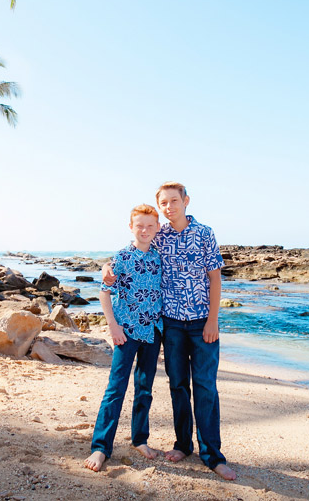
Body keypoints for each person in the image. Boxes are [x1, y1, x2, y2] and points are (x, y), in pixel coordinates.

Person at [103, 182, 237, 481]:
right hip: (171, 324)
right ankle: (183, 444)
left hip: (202, 322)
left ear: (186, 201)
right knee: (178, 385)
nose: (169, 206)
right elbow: (130, 253)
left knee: (205, 387)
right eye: (164, 202)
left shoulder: (204, 234)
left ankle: (213, 456)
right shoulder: (159, 234)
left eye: (174, 201)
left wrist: (213, 319)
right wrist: (105, 268)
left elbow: (215, 279)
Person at [84, 204, 164, 472]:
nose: (144, 230)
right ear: (131, 227)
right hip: (126, 333)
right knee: (115, 389)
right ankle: (100, 447)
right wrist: (113, 327)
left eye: (150, 226)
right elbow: (104, 292)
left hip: (153, 333)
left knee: (144, 389)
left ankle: (139, 439)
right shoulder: (121, 258)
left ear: (157, 229)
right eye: (139, 225)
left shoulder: (158, 257)